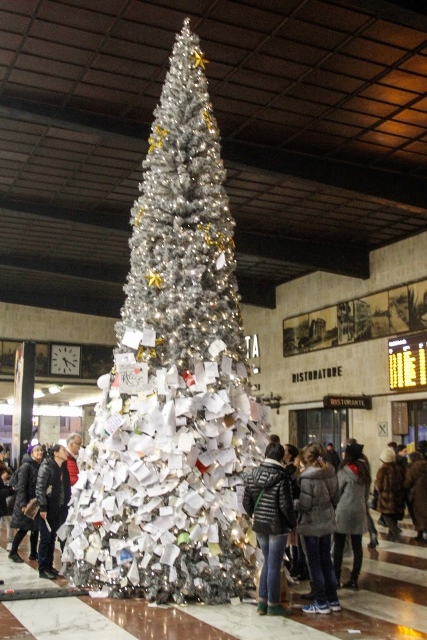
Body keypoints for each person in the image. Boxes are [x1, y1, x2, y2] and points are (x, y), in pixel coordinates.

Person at [243, 441, 296, 617]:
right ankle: (273, 604)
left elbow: (246, 502)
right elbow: (286, 505)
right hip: (277, 526)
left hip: (260, 526)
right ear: (281, 456)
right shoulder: (282, 477)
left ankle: (262, 603)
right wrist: (292, 523)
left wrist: (254, 514)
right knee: (274, 563)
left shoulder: (252, 475)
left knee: (267, 561)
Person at [296, 442, 341, 614]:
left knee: (314, 564)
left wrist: (295, 503)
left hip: (311, 525)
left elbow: (305, 505)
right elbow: (336, 499)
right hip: (327, 522)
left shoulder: (308, 477)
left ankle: (321, 602)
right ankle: (333, 600)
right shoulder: (330, 472)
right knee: (326, 561)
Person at [333, 442, 371, 589]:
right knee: (357, 546)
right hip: (359, 510)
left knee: (339, 545)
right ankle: (354, 579)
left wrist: (336, 503)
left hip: (344, 510)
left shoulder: (343, 470)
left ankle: (336, 579)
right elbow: (367, 494)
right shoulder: (365, 470)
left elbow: (337, 492)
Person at [36, 444, 71, 579]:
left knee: (52, 539)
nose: (66, 453)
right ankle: (42, 568)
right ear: (56, 453)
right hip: (48, 507)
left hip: (59, 507)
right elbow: (40, 488)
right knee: (45, 538)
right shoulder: (47, 467)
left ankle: (49, 566)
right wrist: (43, 507)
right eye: (63, 450)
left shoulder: (63, 468)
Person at [9, 443, 44, 563]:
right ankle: (13, 552)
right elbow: (21, 486)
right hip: (26, 503)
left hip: (35, 503)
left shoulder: (39, 466)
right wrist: (23, 504)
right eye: (37, 450)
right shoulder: (26, 466)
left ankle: (33, 553)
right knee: (23, 528)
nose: (40, 452)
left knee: (35, 529)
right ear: (31, 453)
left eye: (41, 450)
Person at [375, 447, 405, 542]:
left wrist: (375, 484)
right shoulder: (397, 467)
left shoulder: (383, 469)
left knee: (386, 514)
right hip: (397, 495)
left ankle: (395, 531)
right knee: (393, 515)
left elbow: (379, 485)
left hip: (386, 497)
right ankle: (391, 536)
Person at [404, 451, 427, 542]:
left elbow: (408, 483)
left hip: (418, 494)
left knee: (418, 514)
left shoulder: (412, 468)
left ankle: (420, 534)